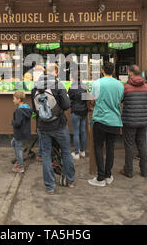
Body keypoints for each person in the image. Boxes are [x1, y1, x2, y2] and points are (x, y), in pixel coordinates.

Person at [31, 63, 75, 194]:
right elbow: (67, 105)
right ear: (55, 73)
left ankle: (50, 186)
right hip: (59, 125)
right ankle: (70, 180)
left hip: (43, 126)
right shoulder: (58, 84)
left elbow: (35, 109)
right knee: (66, 152)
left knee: (45, 154)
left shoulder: (35, 87)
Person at [87, 61, 124, 187]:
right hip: (115, 120)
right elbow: (120, 100)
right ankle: (108, 175)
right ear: (113, 71)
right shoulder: (120, 85)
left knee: (98, 147)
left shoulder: (97, 83)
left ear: (103, 70)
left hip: (101, 119)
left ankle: (100, 177)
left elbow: (92, 100)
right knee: (110, 148)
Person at [120, 65, 147, 178]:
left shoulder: (126, 87)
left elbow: (120, 100)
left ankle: (128, 170)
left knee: (129, 146)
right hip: (143, 121)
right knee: (142, 145)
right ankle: (144, 170)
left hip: (129, 121)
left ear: (131, 73)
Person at [11, 91, 33, 173]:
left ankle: (20, 166)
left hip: (19, 132)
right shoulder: (27, 108)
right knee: (13, 143)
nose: (13, 100)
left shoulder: (18, 111)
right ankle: (19, 158)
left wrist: (12, 122)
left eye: (14, 99)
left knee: (18, 148)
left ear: (19, 99)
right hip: (24, 132)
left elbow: (17, 123)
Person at [68, 74, 89, 160]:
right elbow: (87, 97)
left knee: (76, 133)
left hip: (75, 111)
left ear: (73, 78)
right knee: (83, 131)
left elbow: (68, 99)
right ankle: (83, 151)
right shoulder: (85, 87)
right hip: (84, 111)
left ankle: (76, 153)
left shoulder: (72, 87)